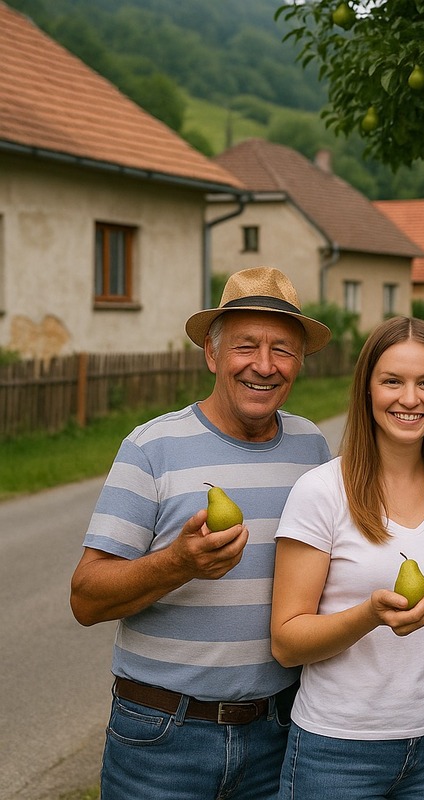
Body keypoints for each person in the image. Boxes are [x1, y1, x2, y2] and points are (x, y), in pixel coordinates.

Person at [69, 266, 334, 799]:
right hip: (161, 738)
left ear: (299, 363)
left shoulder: (313, 451)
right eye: (246, 347)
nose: (264, 366)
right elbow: (85, 599)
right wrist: (179, 563)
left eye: (283, 349)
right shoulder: (151, 448)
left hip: (278, 734)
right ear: (212, 355)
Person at [270, 315, 424, 800]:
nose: (410, 399)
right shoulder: (321, 492)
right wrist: (368, 615)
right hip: (338, 748)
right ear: (367, 390)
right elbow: (286, 642)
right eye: (392, 381)